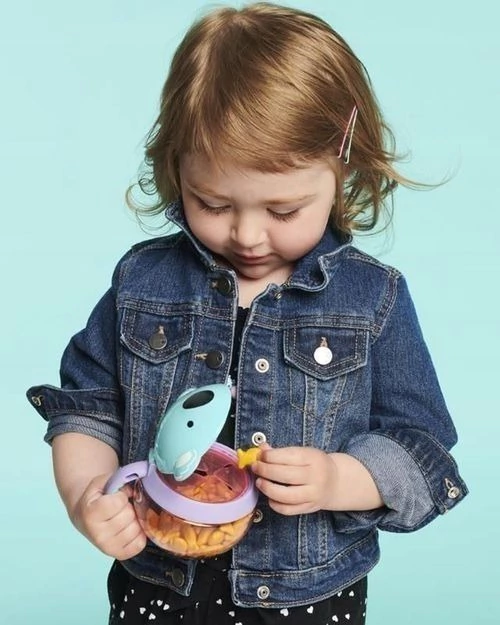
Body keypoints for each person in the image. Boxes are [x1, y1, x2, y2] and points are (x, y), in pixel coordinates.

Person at [27, 3, 468, 624]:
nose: (247, 235)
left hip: (306, 596)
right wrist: (86, 498)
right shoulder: (145, 282)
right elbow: (86, 406)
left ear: (341, 169)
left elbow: (420, 445)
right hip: (160, 584)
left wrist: (341, 478)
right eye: (212, 203)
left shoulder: (372, 299)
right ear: (175, 167)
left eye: (283, 211)